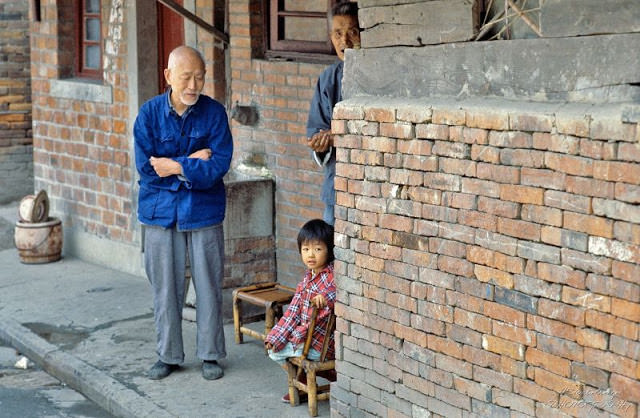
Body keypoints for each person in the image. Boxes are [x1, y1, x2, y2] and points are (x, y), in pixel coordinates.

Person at [133, 45, 233, 381]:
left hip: (203, 210)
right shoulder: (148, 114)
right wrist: (191, 164)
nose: (193, 85)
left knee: (207, 285)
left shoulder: (214, 113)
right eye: (186, 77)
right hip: (160, 212)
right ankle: (168, 355)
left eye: (200, 77)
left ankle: (210, 354)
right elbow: (146, 170)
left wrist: (174, 165)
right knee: (164, 288)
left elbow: (218, 165)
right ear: (168, 76)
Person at [264, 219, 336, 402]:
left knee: (278, 352)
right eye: (306, 249)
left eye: (318, 249)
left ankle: (307, 378)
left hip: (321, 345)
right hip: (304, 338)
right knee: (274, 348)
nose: (311, 255)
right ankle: (303, 380)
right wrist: (274, 337)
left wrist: (326, 298)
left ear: (329, 250)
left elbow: (340, 291)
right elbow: (291, 314)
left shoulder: (332, 276)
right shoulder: (305, 280)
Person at [306, 1, 361, 226]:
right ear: (331, 36)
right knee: (333, 256)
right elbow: (316, 129)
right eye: (338, 33)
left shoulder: (382, 77)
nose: (344, 41)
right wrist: (320, 142)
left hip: (373, 186)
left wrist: (337, 133)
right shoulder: (328, 79)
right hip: (336, 187)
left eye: (353, 32)